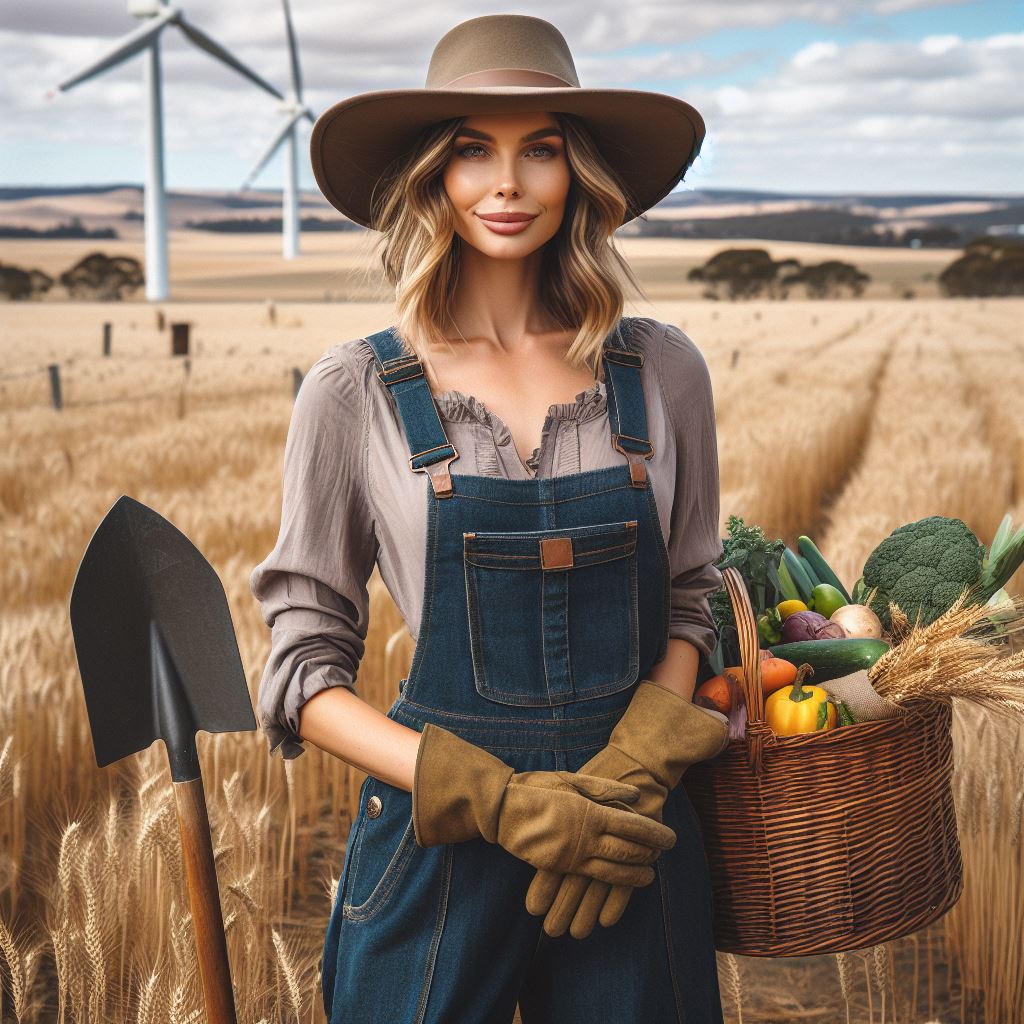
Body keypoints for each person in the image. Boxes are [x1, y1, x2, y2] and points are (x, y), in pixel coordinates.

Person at [249, 13, 731, 1023]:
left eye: (539, 150)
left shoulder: (661, 370)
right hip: (440, 844)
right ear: (435, 175)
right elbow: (301, 673)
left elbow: (693, 592)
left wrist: (636, 765)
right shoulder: (355, 391)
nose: (506, 183)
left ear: (577, 172)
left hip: (622, 838)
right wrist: (492, 797)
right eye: (473, 150)